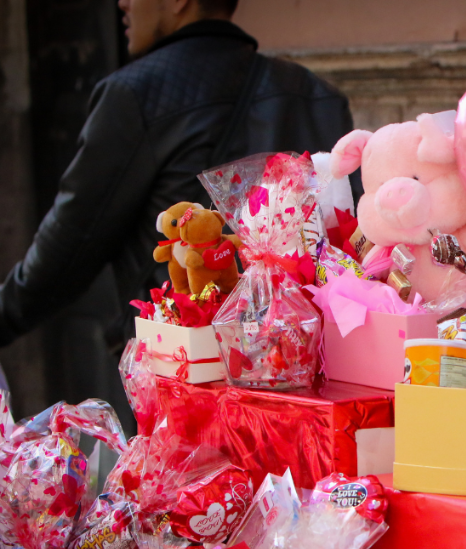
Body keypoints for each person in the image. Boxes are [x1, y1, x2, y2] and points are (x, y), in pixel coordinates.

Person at [0, 0, 356, 349]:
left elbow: (66, 247)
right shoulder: (317, 96)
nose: (122, 4)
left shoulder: (133, 95)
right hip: (304, 363)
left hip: (183, 371)